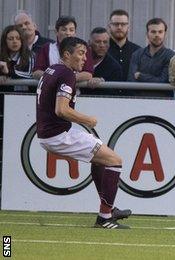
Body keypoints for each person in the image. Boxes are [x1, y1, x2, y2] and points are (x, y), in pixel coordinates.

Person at [35, 37, 131, 229]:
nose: (84, 58)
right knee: (115, 160)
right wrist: (88, 120)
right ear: (66, 55)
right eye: (80, 53)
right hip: (58, 135)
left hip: (51, 133)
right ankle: (105, 218)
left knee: (101, 159)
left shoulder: (52, 69)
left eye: (85, 53)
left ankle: (108, 209)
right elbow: (61, 110)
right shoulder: (66, 74)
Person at [32, 16, 95, 85]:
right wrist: (53, 77)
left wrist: (67, 78)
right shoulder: (47, 48)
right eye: (64, 30)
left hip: (75, 93)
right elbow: (36, 72)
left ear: (75, 33)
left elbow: (88, 74)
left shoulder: (83, 48)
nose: (68, 33)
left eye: (71, 30)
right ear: (56, 31)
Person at [128, 18, 175, 97]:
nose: (157, 35)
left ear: (165, 34)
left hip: (163, 103)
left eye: (160, 32)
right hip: (138, 102)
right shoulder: (137, 54)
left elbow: (163, 81)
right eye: (153, 32)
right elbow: (131, 80)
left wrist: (140, 76)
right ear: (147, 34)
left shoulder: (172, 56)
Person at [80, 27, 123, 96]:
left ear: (109, 44)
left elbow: (115, 95)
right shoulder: (79, 60)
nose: (102, 45)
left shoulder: (114, 67)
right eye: (98, 42)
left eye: (105, 42)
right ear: (89, 43)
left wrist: (102, 82)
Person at [108, 9, 141, 82]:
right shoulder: (101, 50)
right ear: (109, 26)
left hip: (130, 93)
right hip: (106, 93)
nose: (119, 27)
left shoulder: (138, 51)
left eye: (123, 24)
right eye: (116, 24)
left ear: (128, 27)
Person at [0, 25, 35, 92]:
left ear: (22, 40)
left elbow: (29, 74)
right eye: (10, 39)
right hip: (4, 96)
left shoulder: (30, 55)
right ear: (5, 41)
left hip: (25, 96)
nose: (15, 41)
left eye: (18, 38)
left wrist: (8, 72)